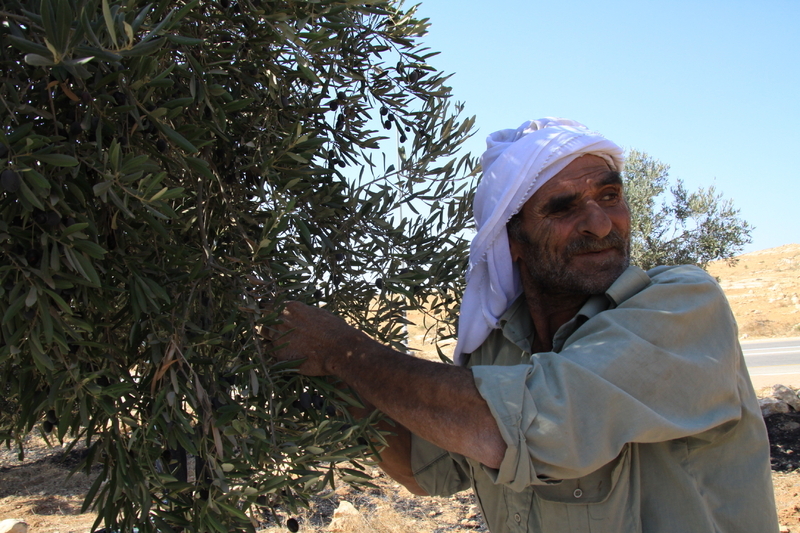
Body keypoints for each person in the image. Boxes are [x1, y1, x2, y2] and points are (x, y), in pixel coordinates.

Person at [264, 118, 779, 532]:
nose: (601, 223)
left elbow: (523, 426)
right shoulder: (499, 347)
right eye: (563, 208)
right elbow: (424, 470)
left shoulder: (680, 305)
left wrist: (343, 351)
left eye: (609, 195)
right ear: (512, 241)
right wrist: (320, 369)